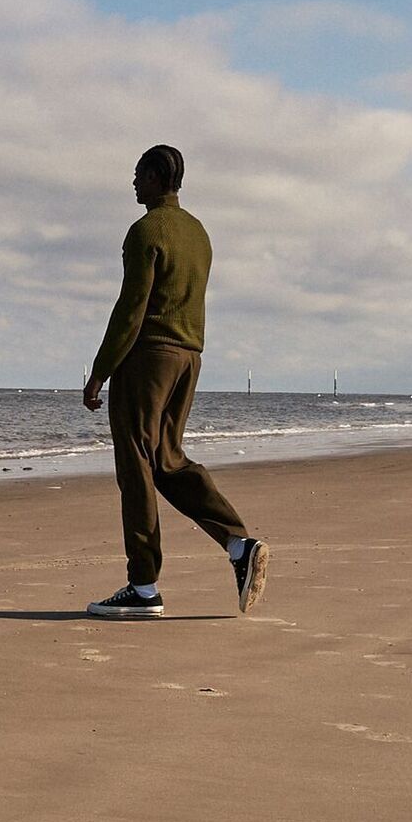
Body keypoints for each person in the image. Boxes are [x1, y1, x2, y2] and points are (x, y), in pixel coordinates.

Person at [80, 143, 269, 618]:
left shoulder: (146, 232)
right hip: (189, 357)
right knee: (167, 459)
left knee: (138, 468)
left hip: (148, 359)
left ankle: (143, 586)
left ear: (161, 177)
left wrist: (99, 372)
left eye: (140, 173)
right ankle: (237, 543)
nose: (134, 182)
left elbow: (130, 311)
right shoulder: (198, 233)